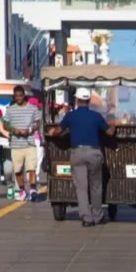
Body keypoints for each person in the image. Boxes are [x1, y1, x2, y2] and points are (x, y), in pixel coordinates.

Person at [49, 87, 115, 226]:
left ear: (77, 100)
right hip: (94, 153)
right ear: (89, 100)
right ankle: (98, 216)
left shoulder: (70, 116)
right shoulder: (96, 116)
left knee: (81, 187)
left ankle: (87, 218)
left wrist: (52, 131)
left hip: (77, 153)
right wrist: (114, 125)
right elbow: (109, 132)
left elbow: (58, 131)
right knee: (96, 186)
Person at [2, 86, 41, 202]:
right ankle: (23, 190)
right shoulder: (10, 109)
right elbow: (5, 125)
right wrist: (13, 130)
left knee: (31, 168)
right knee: (18, 170)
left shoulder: (33, 108)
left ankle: (33, 189)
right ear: (14, 97)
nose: (18, 98)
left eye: (20, 96)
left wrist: (28, 130)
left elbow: (37, 124)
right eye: (16, 96)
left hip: (29, 143)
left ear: (24, 95)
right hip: (16, 145)